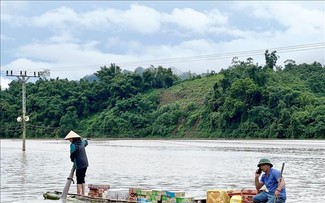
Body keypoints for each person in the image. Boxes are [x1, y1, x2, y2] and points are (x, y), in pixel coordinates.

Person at [64, 130, 89, 195]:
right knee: (82, 178)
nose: (69, 140)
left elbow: (72, 155)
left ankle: (78, 194)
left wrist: (73, 161)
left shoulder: (73, 145)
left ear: (72, 138)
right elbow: (86, 142)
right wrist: (84, 139)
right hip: (85, 163)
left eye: (69, 139)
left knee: (79, 179)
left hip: (79, 164)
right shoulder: (81, 142)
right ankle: (83, 193)